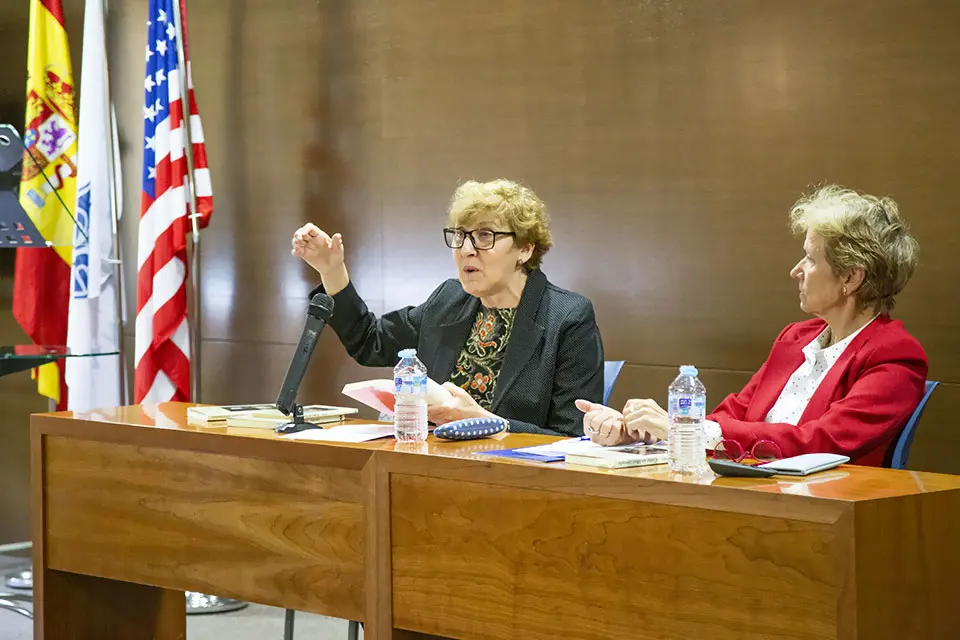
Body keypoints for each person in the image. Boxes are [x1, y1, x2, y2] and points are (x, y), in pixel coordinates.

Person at [578, 185, 927, 466]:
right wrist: (643, 433)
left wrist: (686, 429)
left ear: (851, 277)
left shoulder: (894, 355)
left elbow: (821, 441)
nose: (796, 270)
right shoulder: (795, 338)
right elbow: (731, 414)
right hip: (751, 492)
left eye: (810, 257)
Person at [292, 178, 603, 436]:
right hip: (430, 464)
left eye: (485, 236)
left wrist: (493, 425)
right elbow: (369, 342)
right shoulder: (449, 300)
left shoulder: (567, 318)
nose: (466, 250)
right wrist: (331, 269)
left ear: (525, 248)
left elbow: (573, 437)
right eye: (460, 236)